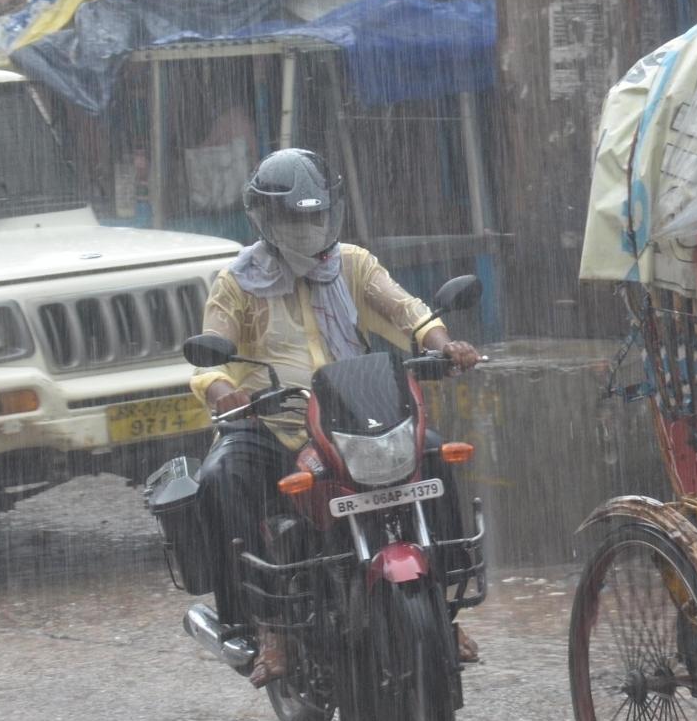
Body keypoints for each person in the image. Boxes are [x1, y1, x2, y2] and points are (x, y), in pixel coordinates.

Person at [191, 148, 482, 687]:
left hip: (357, 422)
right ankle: (266, 626)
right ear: (265, 219)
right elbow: (211, 364)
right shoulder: (237, 282)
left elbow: (409, 314)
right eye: (294, 218)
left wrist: (445, 345)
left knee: (437, 458)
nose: (308, 229)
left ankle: (443, 609)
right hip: (275, 426)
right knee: (220, 480)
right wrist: (225, 390)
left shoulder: (352, 264)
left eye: (316, 215)